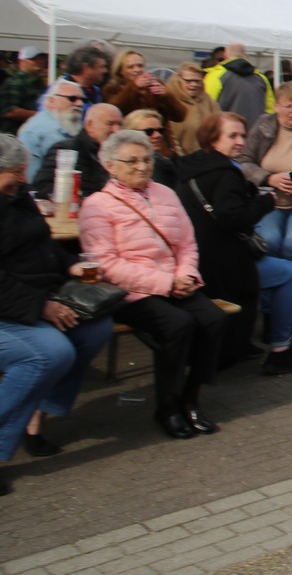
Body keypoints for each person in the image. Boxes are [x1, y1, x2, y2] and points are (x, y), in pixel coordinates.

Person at [78, 131, 227, 440]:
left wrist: (186, 275)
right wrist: (166, 282)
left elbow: (187, 243)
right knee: (178, 325)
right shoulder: (97, 205)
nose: (142, 166)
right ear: (110, 165)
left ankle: (191, 398)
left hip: (175, 280)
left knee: (213, 319)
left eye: (146, 159)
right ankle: (167, 407)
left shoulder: (165, 194)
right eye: (131, 161)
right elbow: (106, 265)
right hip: (131, 291)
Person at [0, 135, 112, 493]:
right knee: (48, 354)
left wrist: (70, 266)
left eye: (22, 170)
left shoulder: (17, 196)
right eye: (16, 172)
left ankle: (34, 416)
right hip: (12, 308)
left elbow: (42, 244)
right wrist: (42, 307)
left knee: (94, 328)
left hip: (31, 298)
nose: (23, 178)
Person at [174, 112, 292, 375]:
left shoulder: (192, 166)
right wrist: (266, 202)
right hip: (222, 265)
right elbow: (233, 218)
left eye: (243, 135)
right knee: (291, 272)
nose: (240, 142)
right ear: (212, 138)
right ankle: (280, 349)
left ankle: (246, 341)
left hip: (195, 261)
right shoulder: (225, 173)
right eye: (232, 136)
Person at [238, 81, 292, 269]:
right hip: (269, 199)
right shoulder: (263, 124)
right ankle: (274, 283)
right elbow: (244, 160)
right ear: (276, 107)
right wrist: (268, 178)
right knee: (270, 241)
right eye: (288, 106)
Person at [33, 102, 122, 199]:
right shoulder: (66, 150)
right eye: (110, 124)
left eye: (119, 125)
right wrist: (81, 200)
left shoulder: (121, 154)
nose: (116, 130)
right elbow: (42, 187)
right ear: (90, 125)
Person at [17, 80, 84, 180]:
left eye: (83, 100)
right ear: (52, 101)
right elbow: (30, 177)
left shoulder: (68, 125)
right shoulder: (35, 131)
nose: (80, 104)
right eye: (72, 99)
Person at [101, 49, 186, 123]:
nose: (137, 70)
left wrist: (167, 96)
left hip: (156, 134)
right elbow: (114, 110)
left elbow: (180, 116)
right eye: (130, 67)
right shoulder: (112, 88)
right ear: (120, 70)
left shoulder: (155, 84)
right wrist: (133, 87)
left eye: (140, 66)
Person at [203, 43, 274, 126]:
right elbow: (270, 111)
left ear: (225, 56)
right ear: (246, 56)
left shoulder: (215, 76)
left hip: (225, 130)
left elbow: (206, 107)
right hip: (256, 131)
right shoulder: (262, 79)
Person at [165, 61, 219, 157]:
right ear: (178, 79)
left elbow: (218, 125)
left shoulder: (207, 100)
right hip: (176, 158)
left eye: (197, 81)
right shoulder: (168, 99)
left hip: (204, 157)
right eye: (188, 81)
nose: (194, 85)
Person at [123, 109, 177, 188]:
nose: (157, 135)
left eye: (160, 131)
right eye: (149, 131)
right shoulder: (119, 165)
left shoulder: (162, 164)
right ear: (131, 134)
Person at [0, 47, 47, 135]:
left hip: (36, 133)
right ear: (21, 61)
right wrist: (41, 115)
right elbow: (10, 111)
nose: (39, 61)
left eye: (41, 59)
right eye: (33, 59)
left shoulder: (40, 84)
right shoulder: (14, 82)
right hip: (14, 135)